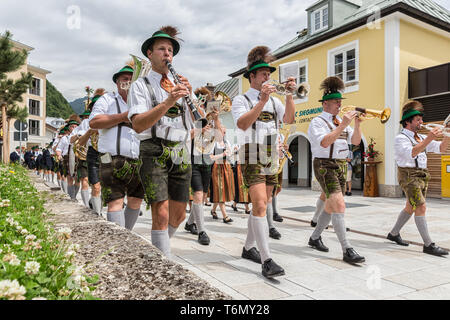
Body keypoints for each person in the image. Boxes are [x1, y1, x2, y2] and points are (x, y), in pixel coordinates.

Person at [129, 25, 200, 257]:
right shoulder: (140, 85)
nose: (167, 53)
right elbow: (139, 123)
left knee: (178, 214)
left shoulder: (180, 84)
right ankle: (166, 261)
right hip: (153, 148)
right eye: (161, 49)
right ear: (149, 54)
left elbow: (195, 124)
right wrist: (169, 101)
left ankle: (156, 252)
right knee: (160, 212)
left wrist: (192, 101)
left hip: (180, 149)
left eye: (170, 49)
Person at [231, 45, 295, 278]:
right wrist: (261, 100)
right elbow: (242, 124)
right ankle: (267, 260)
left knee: (265, 203)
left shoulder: (276, 102)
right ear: (252, 77)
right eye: (264, 74)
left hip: (271, 152)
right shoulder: (241, 99)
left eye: (270, 74)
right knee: (259, 204)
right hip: (251, 152)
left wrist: (288, 94)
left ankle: (249, 248)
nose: (268, 77)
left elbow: (289, 119)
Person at [307, 76, 365, 264]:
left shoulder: (340, 120)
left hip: (340, 164)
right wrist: (343, 125)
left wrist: (356, 125)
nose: (339, 105)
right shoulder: (317, 122)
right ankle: (347, 249)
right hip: (324, 165)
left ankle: (315, 237)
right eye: (335, 102)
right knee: (339, 204)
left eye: (340, 102)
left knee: (331, 206)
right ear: (325, 104)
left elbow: (355, 142)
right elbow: (324, 141)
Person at [387, 101, 449, 256]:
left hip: (422, 174)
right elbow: (412, 152)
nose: (422, 122)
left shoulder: (420, 136)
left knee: (411, 206)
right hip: (408, 175)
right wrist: (428, 139)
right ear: (408, 121)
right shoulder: (400, 138)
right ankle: (428, 244)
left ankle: (393, 234)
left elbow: (441, 149)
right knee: (421, 206)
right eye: (418, 120)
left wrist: (447, 134)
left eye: (421, 119)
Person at [89, 63, 144, 230]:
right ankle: (119, 240)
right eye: (124, 79)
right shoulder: (108, 99)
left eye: (130, 79)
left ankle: (126, 236)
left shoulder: (141, 101)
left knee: (136, 200)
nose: (127, 81)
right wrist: (123, 116)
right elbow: (94, 122)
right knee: (115, 202)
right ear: (117, 82)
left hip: (138, 159)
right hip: (112, 160)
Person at [184, 87, 219, 244]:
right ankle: (202, 231)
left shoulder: (211, 118)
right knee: (198, 194)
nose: (203, 105)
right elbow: (184, 136)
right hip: (192, 157)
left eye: (206, 102)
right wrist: (198, 129)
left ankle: (190, 223)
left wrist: (216, 119)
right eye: (201, 101)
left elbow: (220, 136)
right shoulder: (190, 115)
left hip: (206, 159)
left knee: (203, 195)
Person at [209, 130, 235, 224]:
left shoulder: (226, 142)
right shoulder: (213, 143)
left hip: (226, 167)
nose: (223, 134)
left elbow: (230, 155)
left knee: (222, 191)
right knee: (220, 190)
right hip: (217, 167)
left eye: (224, 132)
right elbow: (211, 157)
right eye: (221, 132)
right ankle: (225, 216)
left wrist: (230, 152)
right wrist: (222, 154)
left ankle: (213, 210)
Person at [230, 144, 251, 215]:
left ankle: (235, 204)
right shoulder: (236, 146)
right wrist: (236, 153)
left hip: (246, 167)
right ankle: (246, 208)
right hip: (238, 168)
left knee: (244, 188)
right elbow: (231, 156)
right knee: (239, 189)